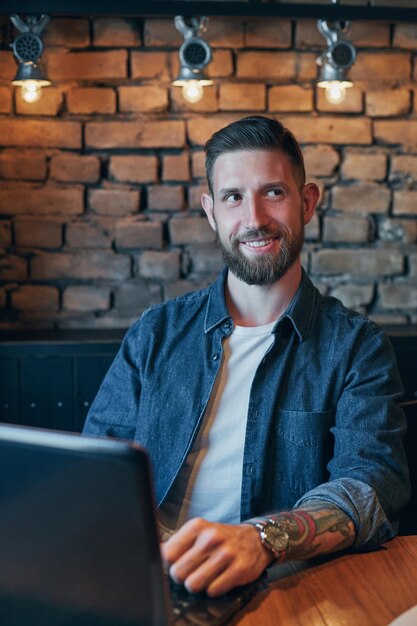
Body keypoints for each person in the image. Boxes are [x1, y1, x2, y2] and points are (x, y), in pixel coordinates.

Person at [83, 115, 410, 598]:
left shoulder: (357, 347)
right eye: (234, 197)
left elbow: (369, 489)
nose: (254, 218)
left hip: (282, 587)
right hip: (147, 580)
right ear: (212, 211)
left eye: (273, 192)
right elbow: (96, 472)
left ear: (308, 202)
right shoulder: (156, 333)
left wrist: (263, 540)